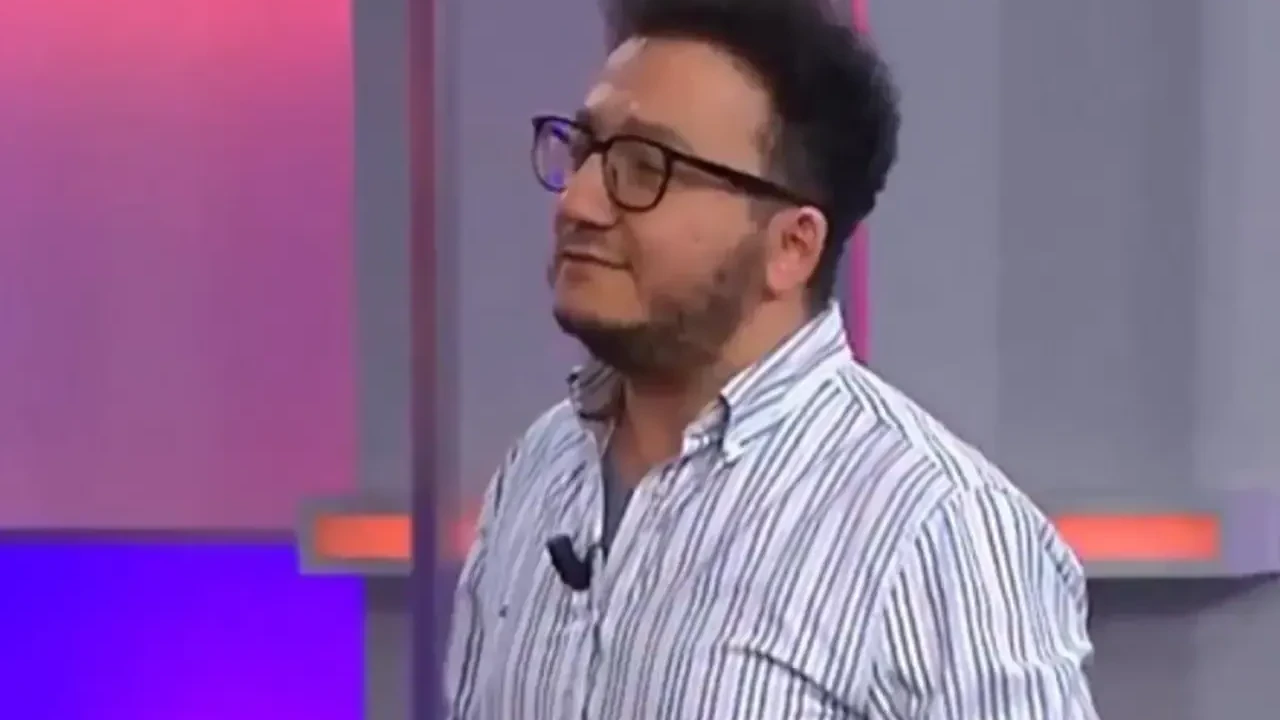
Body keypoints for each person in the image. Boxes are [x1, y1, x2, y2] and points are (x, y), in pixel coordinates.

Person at [444, 0, 1099, 717]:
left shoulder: (940, 529)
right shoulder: (539, 469)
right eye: (584, 151)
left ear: (792, 246)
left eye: (643, 168)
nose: (579, 202)